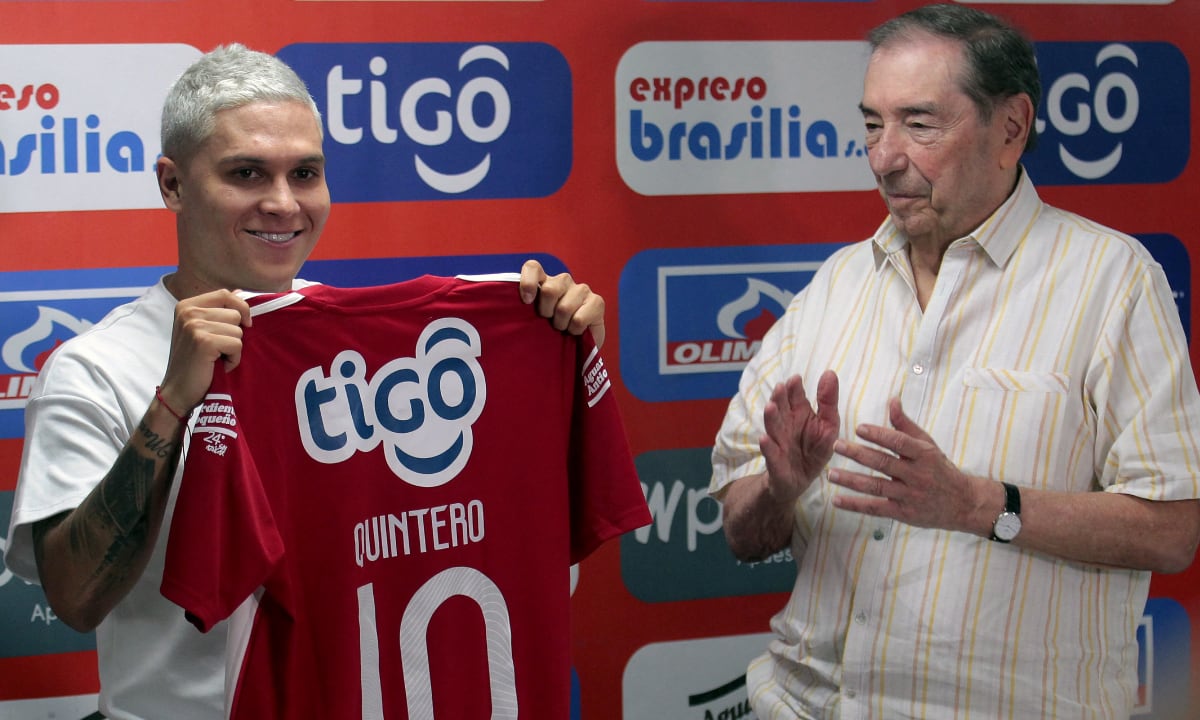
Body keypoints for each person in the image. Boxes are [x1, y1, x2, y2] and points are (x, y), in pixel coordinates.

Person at [3, 44, 609, 720]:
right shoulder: (96, 368)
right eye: (247, 173)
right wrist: (173, 402)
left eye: (306, 173)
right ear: (172, 185)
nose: (284, 203)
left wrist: (552, 365)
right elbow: (75, 599)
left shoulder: (374, 355)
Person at [710, 5, 1200, 719]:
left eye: (919, 123)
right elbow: (741, 532)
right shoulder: (834, 287)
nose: (884, 156)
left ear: (1010, 128)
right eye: (873, 124)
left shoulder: (1112, 282)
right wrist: (781, 489)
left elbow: (1174, 529)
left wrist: (978, 504)